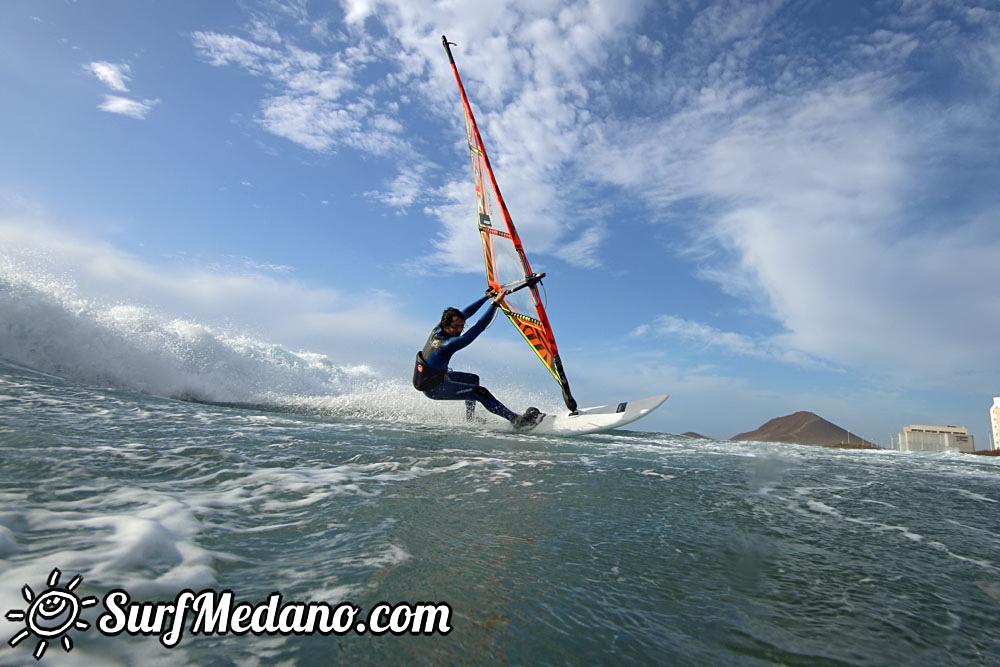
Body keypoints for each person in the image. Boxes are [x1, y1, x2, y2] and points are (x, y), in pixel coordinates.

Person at [413, 288, 542, 430]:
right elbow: (479, 326)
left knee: (472, 379)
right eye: (456, 327)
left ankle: (470, 420)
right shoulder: (446, 344)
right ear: (446, 325)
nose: (460, 330)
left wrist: (485, 297)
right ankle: (516, 420)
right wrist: (495, 304)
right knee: (480, 392)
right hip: (434, 388)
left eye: (462, 326)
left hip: (439, 378)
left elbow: (465, 313)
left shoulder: (439, 329)